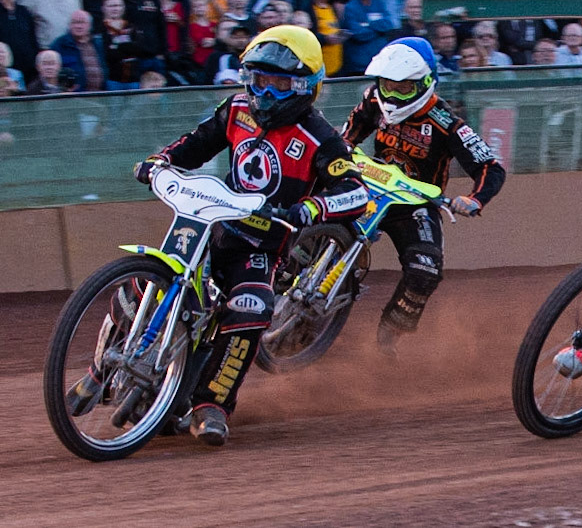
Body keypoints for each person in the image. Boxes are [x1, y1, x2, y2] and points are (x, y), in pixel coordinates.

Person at [92, 26, 369, 447]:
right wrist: (159, 161)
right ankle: (98, 370)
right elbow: (195, 143)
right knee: (139, 284)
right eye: (258, 81)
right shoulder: (237, 109)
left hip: (260, 248)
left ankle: (212, 406)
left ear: (307, 88)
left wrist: (311, 208)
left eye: (278, 85)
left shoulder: (322, 138)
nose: (265, 95)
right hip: (209, 225)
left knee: (251, 307)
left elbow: (355, 192)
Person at [341, 37, 505, 354]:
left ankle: (390, 331)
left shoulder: (448, 124)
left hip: (416, 202)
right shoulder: (374, 99)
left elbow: (491, 167)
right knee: (313, 211)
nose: (392, 94)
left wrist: (473, 199)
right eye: (387, 85)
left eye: (402, 88)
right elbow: (355, 127)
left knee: (426, 268)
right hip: (370, 185)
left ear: (425, 83)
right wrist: (344, 147)